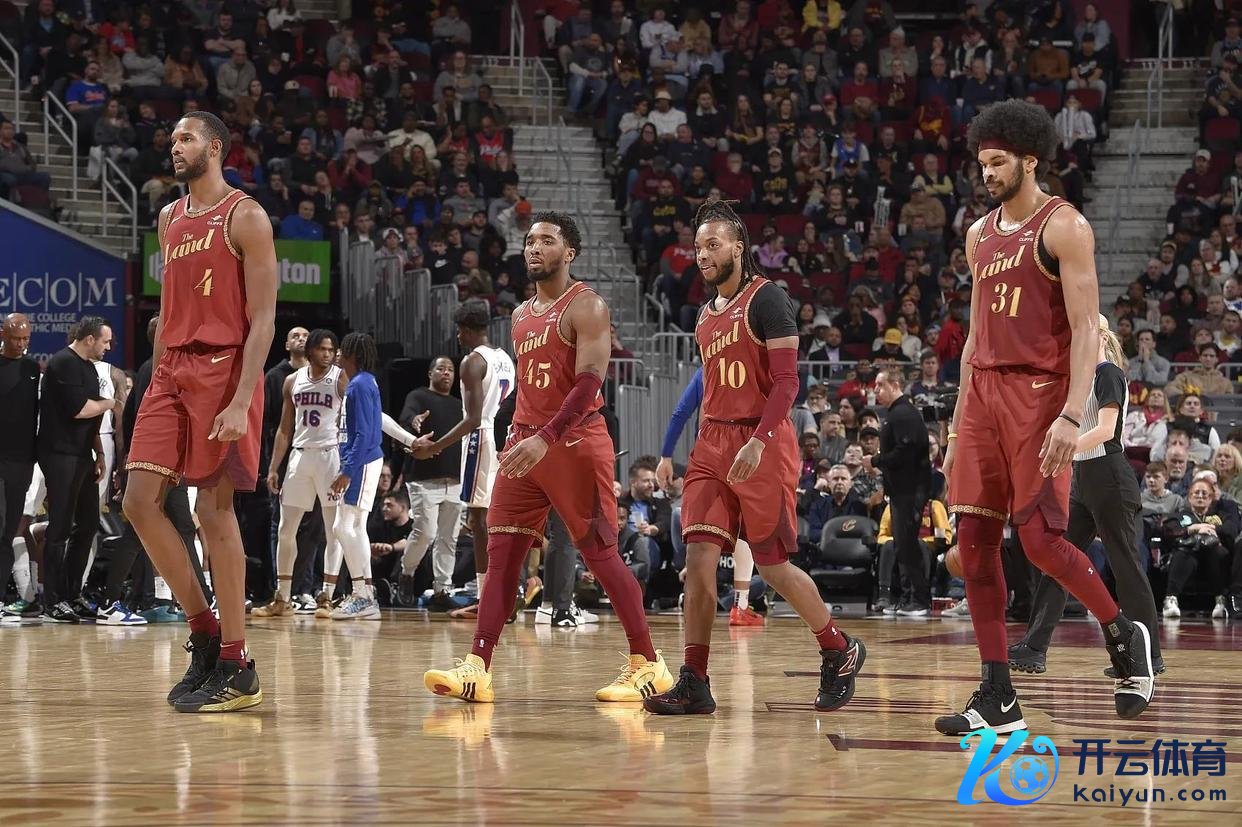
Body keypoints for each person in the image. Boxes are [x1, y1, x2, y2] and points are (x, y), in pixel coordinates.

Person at [938, 100, 1154, 736]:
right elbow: (975, 337)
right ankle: (998, 694)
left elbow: (1088, 328)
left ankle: (1123, 634)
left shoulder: (1065, 226)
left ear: (1030, 161)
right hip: (983, 394)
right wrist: (956, 427)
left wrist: (1070, 413)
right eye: (982, 164)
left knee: (1039, 541)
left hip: (1038, 394)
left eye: (998, 162)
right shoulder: (979, 235)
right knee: (973, 544)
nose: (988, 174)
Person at [423, 211, 672, 703]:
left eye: (547, 240)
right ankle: (478, 667)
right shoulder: (520, 315)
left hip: (574, 442)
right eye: (530, 241)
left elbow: (588, 381)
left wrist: (546, 437)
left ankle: (649, 664)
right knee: (502, 555)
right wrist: (519, 434)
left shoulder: (588, 306)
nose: (534, 248)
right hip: (525, 443)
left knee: (599, 553)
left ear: (569, 252)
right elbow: (533, 389)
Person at [645, 199, 866, 716]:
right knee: (699, 559)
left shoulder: (768, 298)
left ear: (738, 247)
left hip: (761, 441)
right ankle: (695, 679)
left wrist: (759, 440)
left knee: (773, 567)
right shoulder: (704, 316)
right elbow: (700, 392)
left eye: (713, 245)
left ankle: (838, 648)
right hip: (712, 442)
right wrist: (671, 447)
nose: (703, 255)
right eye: (698, 247)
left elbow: (788, 383)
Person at [122, 110, 277, 714]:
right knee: (138, 501)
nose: (175, 146)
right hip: (171, 368)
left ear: (215, 148)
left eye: (185, 138)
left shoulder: (246, 216)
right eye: (172, 139)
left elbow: (263, 320)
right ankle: (205, 630)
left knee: (214, 510)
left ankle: (238, 662)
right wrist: (155, 375)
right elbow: (168, 305)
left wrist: (241, 400)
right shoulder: (169, 218)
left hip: (224, 369)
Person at [1009, 317, 1164, 675]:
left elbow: (1106, 431)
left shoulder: (1108, 373)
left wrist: (1062, 449)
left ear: (1098, 337)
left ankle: (1149, 655)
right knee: (1057, 559)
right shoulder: (1078, 381)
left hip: (1110, 475)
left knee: (1125, 567)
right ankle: (1034, 646)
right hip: (1082, 477)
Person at [411, 302, 516, 621]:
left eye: (459, 330)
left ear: (468, 330)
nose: (458, 336)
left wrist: (435, 447)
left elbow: (472, 419)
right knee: (500, 521)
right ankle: (507, 594)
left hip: (481, 440)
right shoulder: (505, 359)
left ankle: (487, 600)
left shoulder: (473, 361)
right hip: (506, 438)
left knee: (479, 520)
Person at [657, 366, 763, 627]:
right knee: (743, 531)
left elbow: (681, 412)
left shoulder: (706, 370)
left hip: (707, 456)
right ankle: (740, 604)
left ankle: (700, 600)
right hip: (743, 452)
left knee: (703, 531)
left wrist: (666, 455)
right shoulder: (748, 364)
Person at [253, 329, 345, 617]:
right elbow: (284, 428)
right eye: (322, 349)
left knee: (333, 529)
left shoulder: (341, 378)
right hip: (299, 455)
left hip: (330, 455)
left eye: (331, 350)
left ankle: (327, 595)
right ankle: (282, 597)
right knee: (285, 528)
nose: (327, 354)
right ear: (310, 351)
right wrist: (273, 467)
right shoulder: (292, 381)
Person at [39, 317, 117, 623]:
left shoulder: (88, 367)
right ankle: (52, 601)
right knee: (59, 528)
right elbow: (81, 409)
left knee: (88, 524)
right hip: (59, 454)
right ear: (89, 339)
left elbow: (91, 417)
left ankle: (72, 594)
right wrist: (110, 403)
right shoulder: (63, 363)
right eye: (105, 341)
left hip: (83, 454)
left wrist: (99, 452)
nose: (108, 347)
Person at [326, 333, 388, 620]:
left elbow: (363, 434)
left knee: (343, 527)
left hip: (362, 462)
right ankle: (365, 593)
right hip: (363, 460)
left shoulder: (359, 385)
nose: (338, 353)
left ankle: (363, 594)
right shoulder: (363, 382)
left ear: (352, 353)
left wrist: (347, 471)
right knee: (352, 527)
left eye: (343, 349)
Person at [396, 356, 466, 609]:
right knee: (425, 533)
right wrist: (413, 421)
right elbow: (406, 418)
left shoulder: (460, 405)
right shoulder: (418, 396)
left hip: (455, 479)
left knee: (449, 538)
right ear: (430, 373)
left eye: (451, 370)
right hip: (424, 478)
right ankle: (406, 573)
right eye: (441, 368)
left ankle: (441, 591)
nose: (446, 373)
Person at [865, 367, 933, 614]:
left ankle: (919, 600)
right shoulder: (898, 413)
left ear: (895, 385)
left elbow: (904, 453)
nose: (875, 390)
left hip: (909, 491)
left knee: (907, 545)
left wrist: (875, 461)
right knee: (902, 546)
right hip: (902, 491)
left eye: (880, 385)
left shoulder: (903, 413)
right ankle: (908, 598)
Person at [0, 314, 40, 619]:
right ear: (4, 335)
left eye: (25, 338)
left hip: (21, 461)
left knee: (9, 529)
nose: (21, 344)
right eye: (16, 338)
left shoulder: (32, 369)